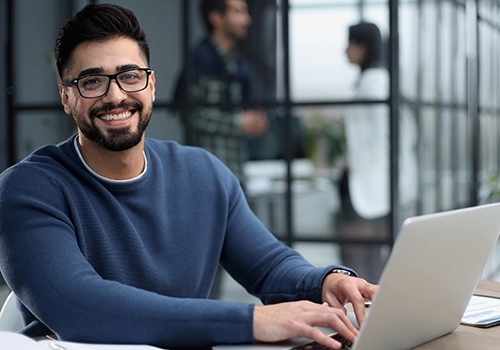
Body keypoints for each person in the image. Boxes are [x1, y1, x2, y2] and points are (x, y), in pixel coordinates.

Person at [0, 4, 377, 349]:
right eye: (92, 81)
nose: (115, 96)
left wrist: (328, 280)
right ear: (66, 97)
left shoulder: (203, 174)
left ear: (150, 85)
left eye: (130, 76)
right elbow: (78, 307)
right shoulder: (27, 190)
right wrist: (251, 320)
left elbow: (270, 267)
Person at [338, 22, 417, 283]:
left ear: (362, 46)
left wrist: (353, 162)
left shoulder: (373, 82)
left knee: (356, 257)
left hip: (368, 185)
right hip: (375, 184)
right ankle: (375, 315)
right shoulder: (378, 79)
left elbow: (391, 136)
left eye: (350, 43)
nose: (345, 50)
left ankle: (366, 316)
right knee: (371, 257)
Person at [173, 0, 268, 182]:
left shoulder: (240, 64)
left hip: (237, 171)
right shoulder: (200, 61)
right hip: (206, 173)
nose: (246, 20)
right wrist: (238, 123)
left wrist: (254, 122)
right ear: (216, 17)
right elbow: (189, 114)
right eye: (238, 12)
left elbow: (246, 108)